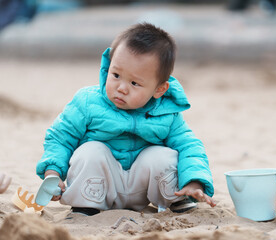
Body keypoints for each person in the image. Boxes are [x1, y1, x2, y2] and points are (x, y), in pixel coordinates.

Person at [36, 22, 216, 216]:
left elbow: (189, 146)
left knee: (162, 155)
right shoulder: (88, 102)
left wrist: (194, 181)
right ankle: (86, 205)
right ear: (108, 65)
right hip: (98, 185)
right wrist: (53, 172)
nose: (121, 88)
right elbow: (60, 137)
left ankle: (175, 199)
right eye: (115, 75)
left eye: (134, 83)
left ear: (159, 89)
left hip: (142, 187)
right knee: (90, 151)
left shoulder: (167, 113)